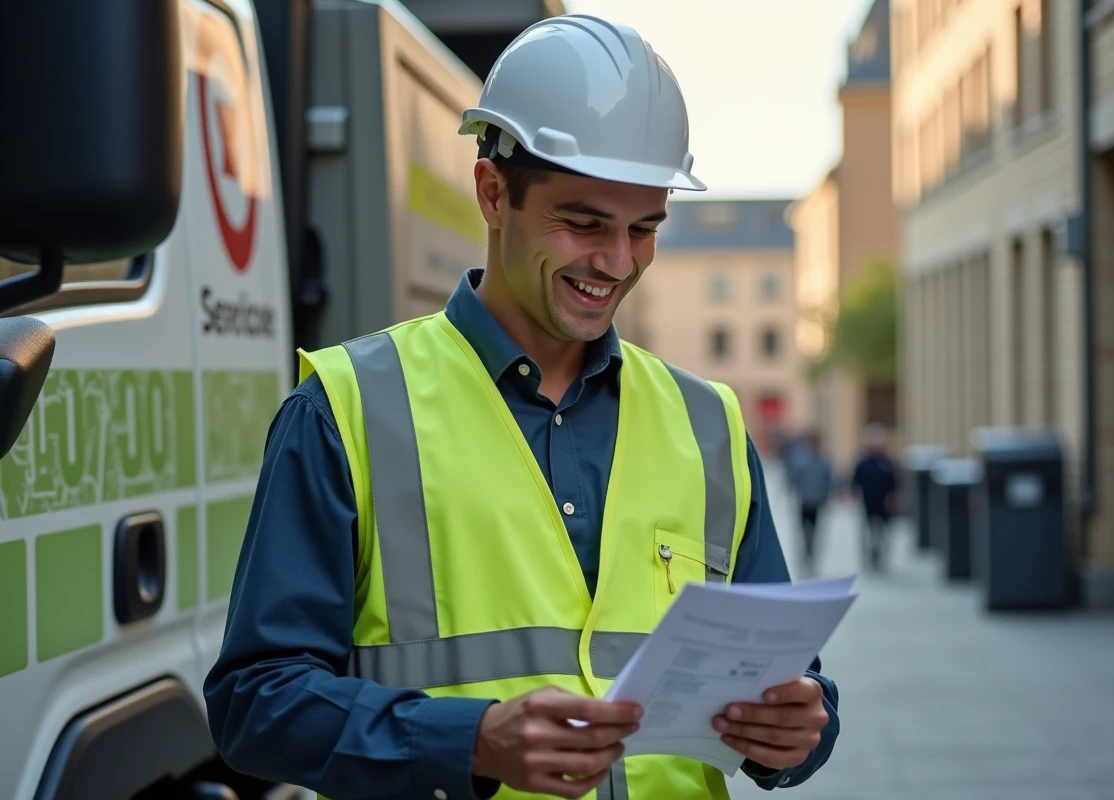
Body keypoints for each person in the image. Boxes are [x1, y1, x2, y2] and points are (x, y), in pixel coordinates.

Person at [203, 14, 840, 800]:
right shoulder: (344, 408)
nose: (616, 262)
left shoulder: (707, 423)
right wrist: (465, 742)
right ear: (492, 192)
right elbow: (252, 704)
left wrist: (798, 729)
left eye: (644, 229)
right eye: (583, 223)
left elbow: (787, 677)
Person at [850, 423, 898, 571]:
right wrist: (854, 494)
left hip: (885, 502)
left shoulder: (887, 462)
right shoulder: (864, 461)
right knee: (869, 528)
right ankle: (871, 552)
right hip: (869, 501)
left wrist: (895, 496)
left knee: (884, 528)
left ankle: (880, 550)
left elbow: (894, 482)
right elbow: (855, 480)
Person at [792, 430, 833, 567]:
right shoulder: (802, 459)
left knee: (814, 527)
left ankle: (811, 547)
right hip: (805, 499)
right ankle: (806, 546)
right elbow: (795, 477)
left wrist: (827, 496)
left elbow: (829, 480)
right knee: (804, 526)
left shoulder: (824, 460)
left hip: (817, 500)